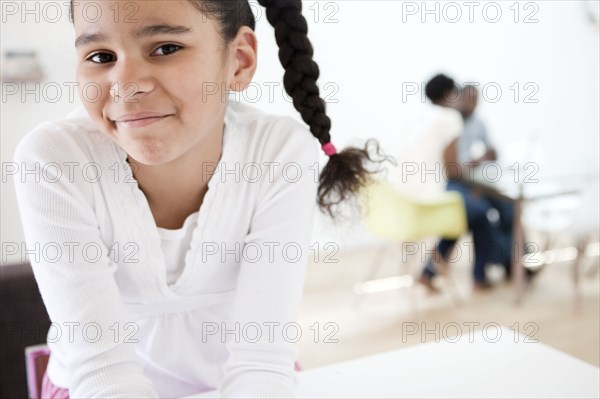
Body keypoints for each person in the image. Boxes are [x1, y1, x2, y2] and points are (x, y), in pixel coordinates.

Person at [13, 1, 392, 398]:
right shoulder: (53, 159)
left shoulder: (278, 152)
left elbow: (261, 358)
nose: (126, 83)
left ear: (239, 60)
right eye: (101, 56)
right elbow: (103, 371)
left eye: (165, 48)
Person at [418, 76, 497, 292]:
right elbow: (452, 170)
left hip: (411, 197)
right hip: (438, 192)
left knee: (463, 218)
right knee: (481, 215)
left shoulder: (421, 119)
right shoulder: (449, 119)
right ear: (449, 95)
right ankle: (479, 277)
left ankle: (428, 272)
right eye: (457, 94)